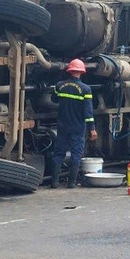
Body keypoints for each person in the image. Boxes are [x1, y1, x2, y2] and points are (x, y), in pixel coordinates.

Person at [52, 59, 97, 188]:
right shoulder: (85, 89)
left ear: (70, 71)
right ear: (82, 72)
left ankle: (54, 183)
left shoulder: (59, 85)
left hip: (62, 125)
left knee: (58, 153)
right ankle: (71, 183)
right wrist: (92, 129)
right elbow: (88, 112)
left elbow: (53, 99)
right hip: (77, 127)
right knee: (76, 154)